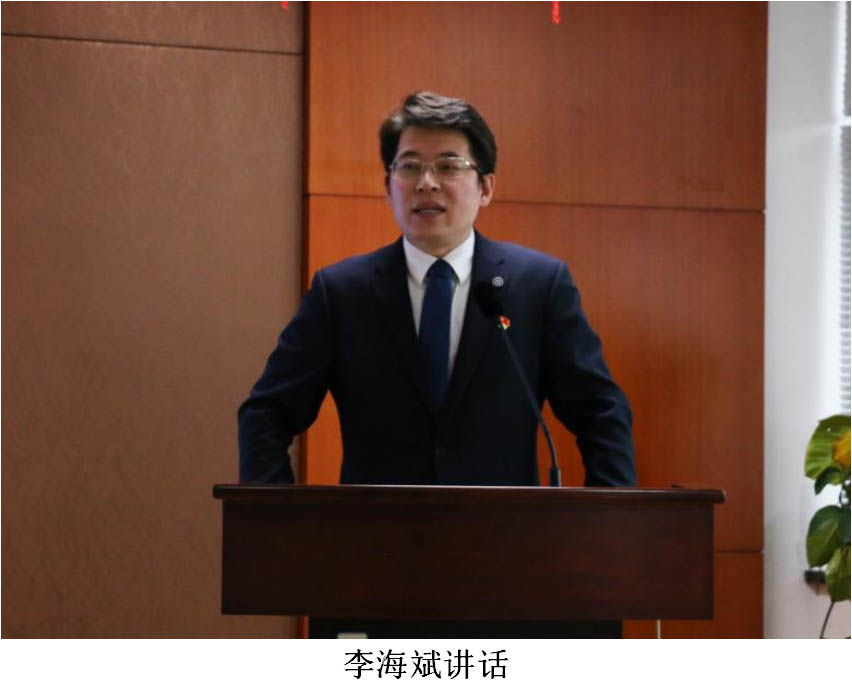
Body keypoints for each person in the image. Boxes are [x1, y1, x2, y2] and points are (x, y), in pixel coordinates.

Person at [238, 91, 636, 489]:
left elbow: (601, 412)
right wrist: (276, 517)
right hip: (376, 527)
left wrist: (609, 520)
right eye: (409, 166)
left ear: (486, 187)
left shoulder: (539, 286)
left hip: (503, 526)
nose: (426, 183)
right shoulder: (342, 292)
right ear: (388, 185)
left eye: (448, 166)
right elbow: (267, 413)